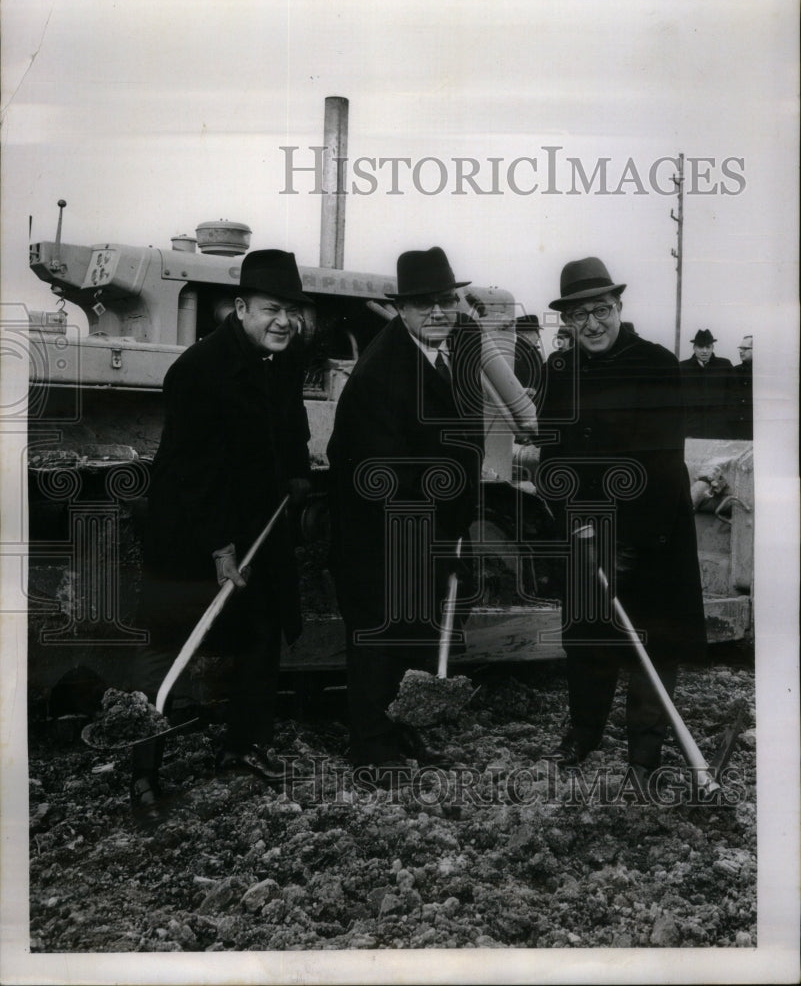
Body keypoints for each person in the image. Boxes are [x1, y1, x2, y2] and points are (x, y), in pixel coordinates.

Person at [130, 249, 313, 816]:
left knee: (260, 637)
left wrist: (299, 474)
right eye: (270, 309)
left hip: (259, 524)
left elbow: (292, 429)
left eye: (291, 310)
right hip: (189, 532)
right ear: (240, 308)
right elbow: (191, 471)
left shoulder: (283, 360)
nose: (283, 321)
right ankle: (143, 771)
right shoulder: (197, 370)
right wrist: (220, 547)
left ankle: (247, 743)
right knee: (170, 645)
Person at [537, 257, 707, 790]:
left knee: (648, 640)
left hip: (652, 529)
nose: (592, 324)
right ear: (566, 320)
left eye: (601, 310)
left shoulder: (654, 363)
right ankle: (583, 732)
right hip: (586, 531)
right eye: (580, 314)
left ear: (619, 308)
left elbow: (661, 459)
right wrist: (572, 518)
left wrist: (630, 544)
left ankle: (645, 751)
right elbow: (551, 456)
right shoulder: (558, 371)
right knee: (587, 638)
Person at [326, 247, 484, 778]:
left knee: (416, 631)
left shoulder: (453, 353)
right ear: (401, 309)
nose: (437, 312)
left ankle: (405, 728)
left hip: (433, 527)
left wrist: (458, 526)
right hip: (382, 534)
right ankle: (373, 749)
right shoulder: (380, 372)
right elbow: (379, 473)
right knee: (380, 637)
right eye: (422, 305)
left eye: (446, 300)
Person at [678, 329, 734, 438]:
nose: (704, 351)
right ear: (694, 348)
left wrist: (726, 420)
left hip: (719, 430)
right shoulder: (682, 367)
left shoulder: (725, 365)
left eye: (708, 347)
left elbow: (733, 395)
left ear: (713, 347)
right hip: (691, 430)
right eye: (700, 347)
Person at [513, 313, 545, 406]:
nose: (539, 337)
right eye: (537, 332)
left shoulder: (531, 351)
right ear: (525, 332)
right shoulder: (518, 352)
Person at [730, 335, 753, 439]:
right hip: (736, 430)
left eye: (745, 348)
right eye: (740, 348)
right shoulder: (734, 371)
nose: (740, 351)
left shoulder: (765, 374)